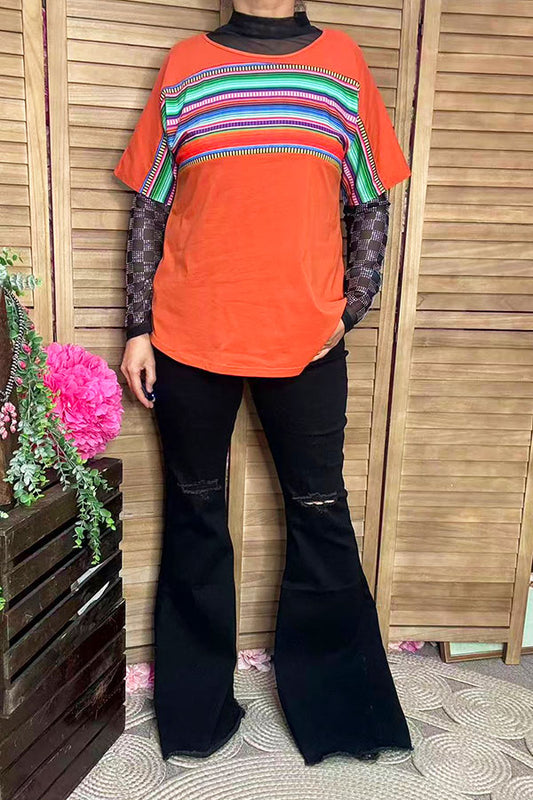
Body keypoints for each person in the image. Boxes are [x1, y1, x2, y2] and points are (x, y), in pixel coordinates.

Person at [114, 0, 413, 766]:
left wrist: (349, 309)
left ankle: (339, 716)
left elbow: (370, 201)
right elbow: (150, 204)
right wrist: (138, 326)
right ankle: (195, 717)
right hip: (187, 334)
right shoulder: (185, 66)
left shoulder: (341, 64)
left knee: (319, 513)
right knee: (194, 515)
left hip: (305, 338)